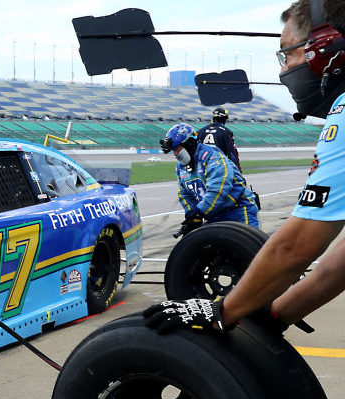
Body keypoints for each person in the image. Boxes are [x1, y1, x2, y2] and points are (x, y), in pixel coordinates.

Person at [144, 0, 345, 345]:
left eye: (287, 54)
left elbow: (295, 246)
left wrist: (221, 311)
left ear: (323, 48)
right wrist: (274, 314)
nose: (284, 70)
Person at [160, 122, 260, 237]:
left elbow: (219, 188)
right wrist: (192, 215)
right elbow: (185, 194)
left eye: (177, 149)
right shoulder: (180, 167)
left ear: (189, 143)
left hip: (238, 211)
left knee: (249, 251)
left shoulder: (212, 156)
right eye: (173, 150)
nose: (175, 154)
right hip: (213, 215)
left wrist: (199, 211)